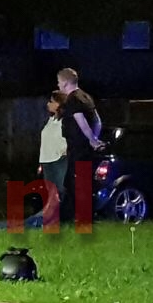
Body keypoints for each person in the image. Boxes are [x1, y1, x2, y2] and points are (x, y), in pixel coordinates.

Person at [56, 68, 103, 222]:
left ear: (65, 82)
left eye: (59, 82)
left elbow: (81, 121)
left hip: (78, 148)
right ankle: (77, 217)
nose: (58, 85)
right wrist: (95, 138)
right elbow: (97, 120)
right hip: (85, 149)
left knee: (73, 183)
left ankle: (77, 217)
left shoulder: (72, 99)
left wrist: (91, 139)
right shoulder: (86, 97)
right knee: (78, 183)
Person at [28, 91, 68, 227]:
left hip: (58, 160)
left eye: (51, 101)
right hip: (46, 160)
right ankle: (50, 219)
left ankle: (54, 220)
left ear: (59, 104)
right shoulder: (51, 120)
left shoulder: (65, 121)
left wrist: (63, 151)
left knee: (58, 191)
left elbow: (67, 139)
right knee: (50, 191)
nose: (48, 104)